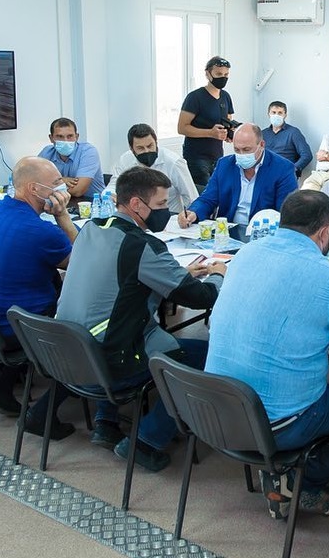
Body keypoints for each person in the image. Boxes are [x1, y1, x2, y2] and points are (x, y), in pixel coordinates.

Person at [205, 190, 329, 519]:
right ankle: (299, 479)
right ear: (325, 232)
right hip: (278, 424)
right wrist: (326, 336)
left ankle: (288, 469)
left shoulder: (246, 253)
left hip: (217, 409)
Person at [56, 166, 224, 471]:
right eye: (161, 204)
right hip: (110, 361)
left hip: (71, 354)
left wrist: (174, 273)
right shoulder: (142, 245)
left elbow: (119, 278)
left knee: (113, 318)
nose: (166, 212)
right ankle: (146, 441)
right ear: (136, 204)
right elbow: (200, 298)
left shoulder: (93, 228)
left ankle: (106, 420)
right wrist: (217, 275)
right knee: (208, 357)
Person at [0, 157, 75, 432]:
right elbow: (83, 262)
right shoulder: (41, 231)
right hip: (17, 326)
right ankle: (45, 412)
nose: (62, 188)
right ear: (33, 189)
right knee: (85, 325)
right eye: (56, 183)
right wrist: (62, 216)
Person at [177, 123, 297, 230]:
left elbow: (285, 214)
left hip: (262, 233)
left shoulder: (283, 169)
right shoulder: (224, 165)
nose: (241, 154)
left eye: (246, 149)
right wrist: (193, 212)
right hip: (227, 231)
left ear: (261, 145)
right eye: (237, 150)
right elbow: (208, 199)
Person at [106, 123, 198, 213]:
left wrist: (188, 216)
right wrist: (111, 195)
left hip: (169, 216)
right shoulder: (126, 159)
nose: (147, 151)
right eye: (140, 148)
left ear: (156, 143)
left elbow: (191, 198)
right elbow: (113, 185)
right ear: (131, 149)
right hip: (137, 216)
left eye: (150, 146)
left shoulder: (174, 162)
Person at [178, 55, 234, 186]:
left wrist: (229, 133)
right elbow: (182, 128)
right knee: (203, 193)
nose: (223, 77)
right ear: (208, 74)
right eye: (218, 74)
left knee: (217, 192)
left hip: (217, 156)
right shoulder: (195, 97)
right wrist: (210, 133)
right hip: (197, 158)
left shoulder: (225, 96)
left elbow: (228, 121)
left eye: (226, 74)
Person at [37, 117, 105, 199]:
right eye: (60, 136)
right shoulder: (47, 152)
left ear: (77, 137)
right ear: (51, 138)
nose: (65, 141)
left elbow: (78, 191)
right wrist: (61, 180)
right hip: (59, 202)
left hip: (92, 203)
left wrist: (54, 182)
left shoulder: (88, 151)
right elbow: (32, 181)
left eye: (70, 136)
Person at [261, 101, 313, 177]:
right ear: (268, 114)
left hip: (285, 174)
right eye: (273, 112)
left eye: (280, 113)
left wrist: (292, 169)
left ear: (285, 115)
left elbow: (307, 155)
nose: (276, 115)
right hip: (265, 173)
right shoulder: (262, 134)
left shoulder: (293, 132)